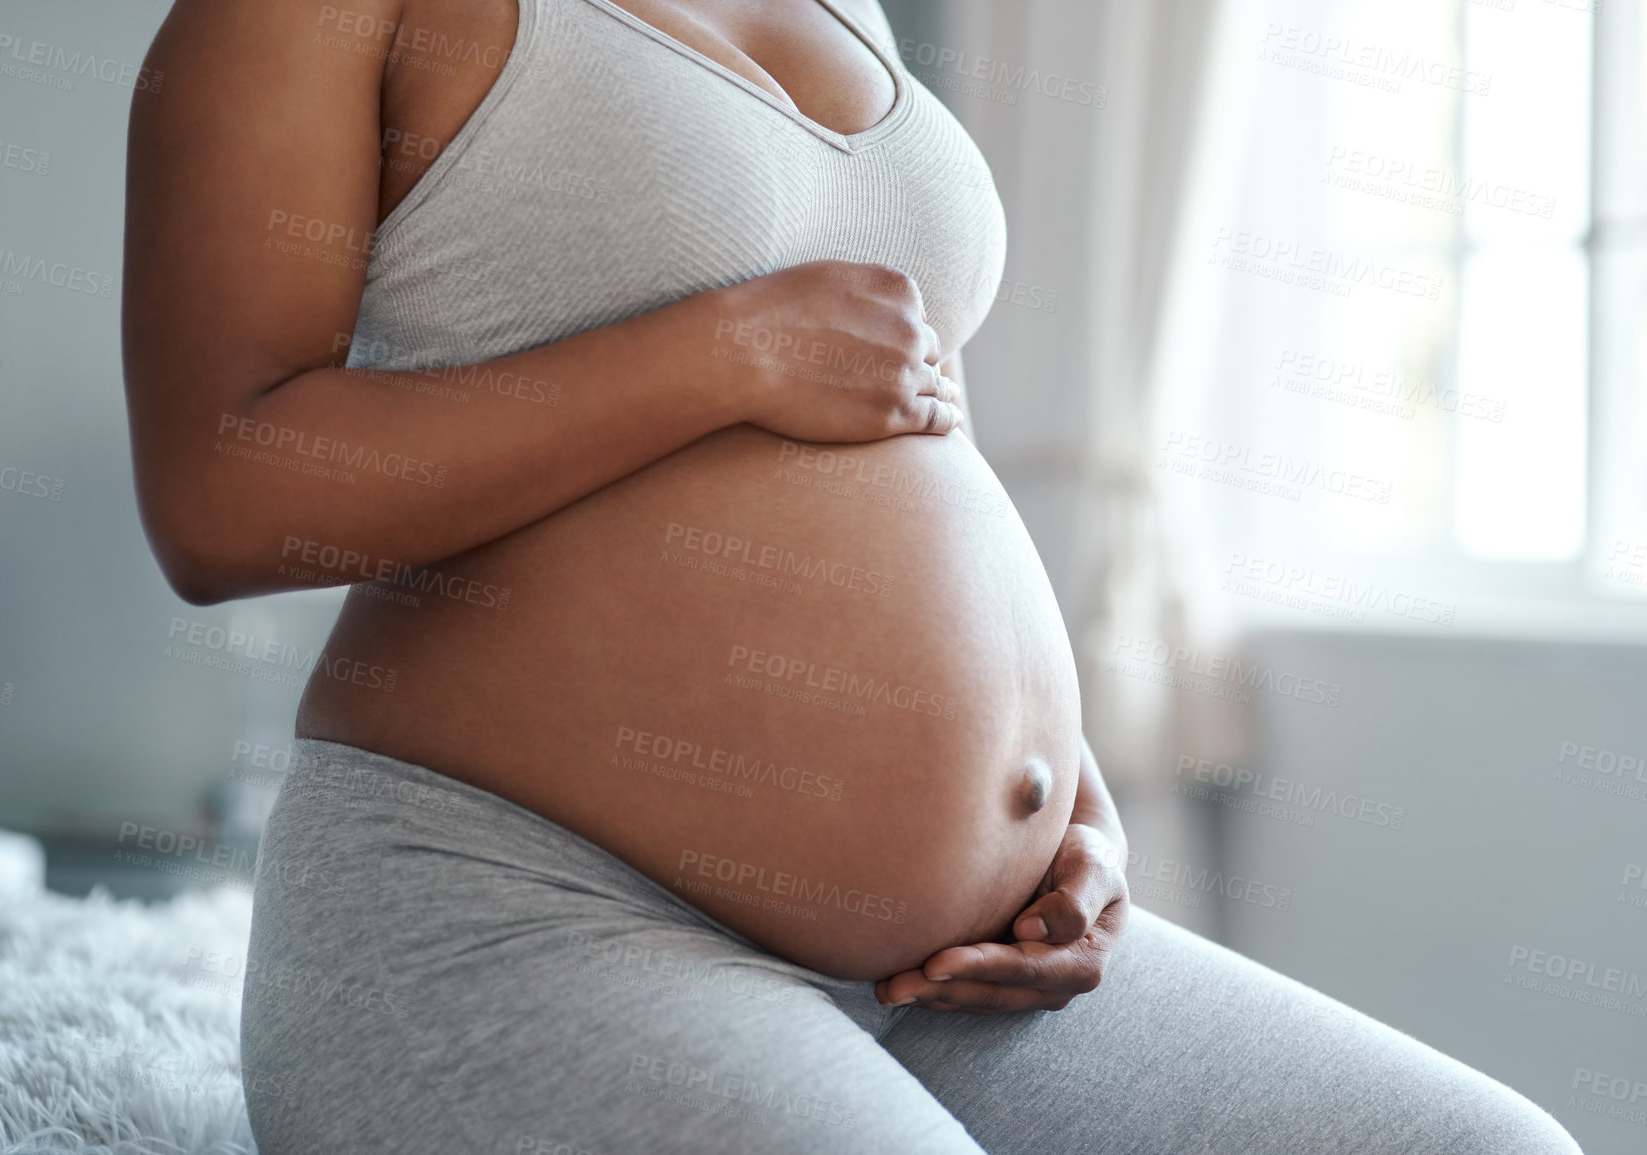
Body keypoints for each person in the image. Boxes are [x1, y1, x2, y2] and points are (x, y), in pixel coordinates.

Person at [121, 0, 1583, 1150]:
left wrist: (1066, 802)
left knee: (1486, 1146)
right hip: (515, 910)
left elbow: (901, 434)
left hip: (955, 970)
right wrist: (719, 353)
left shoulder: (851, 13)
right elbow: (221, 495)